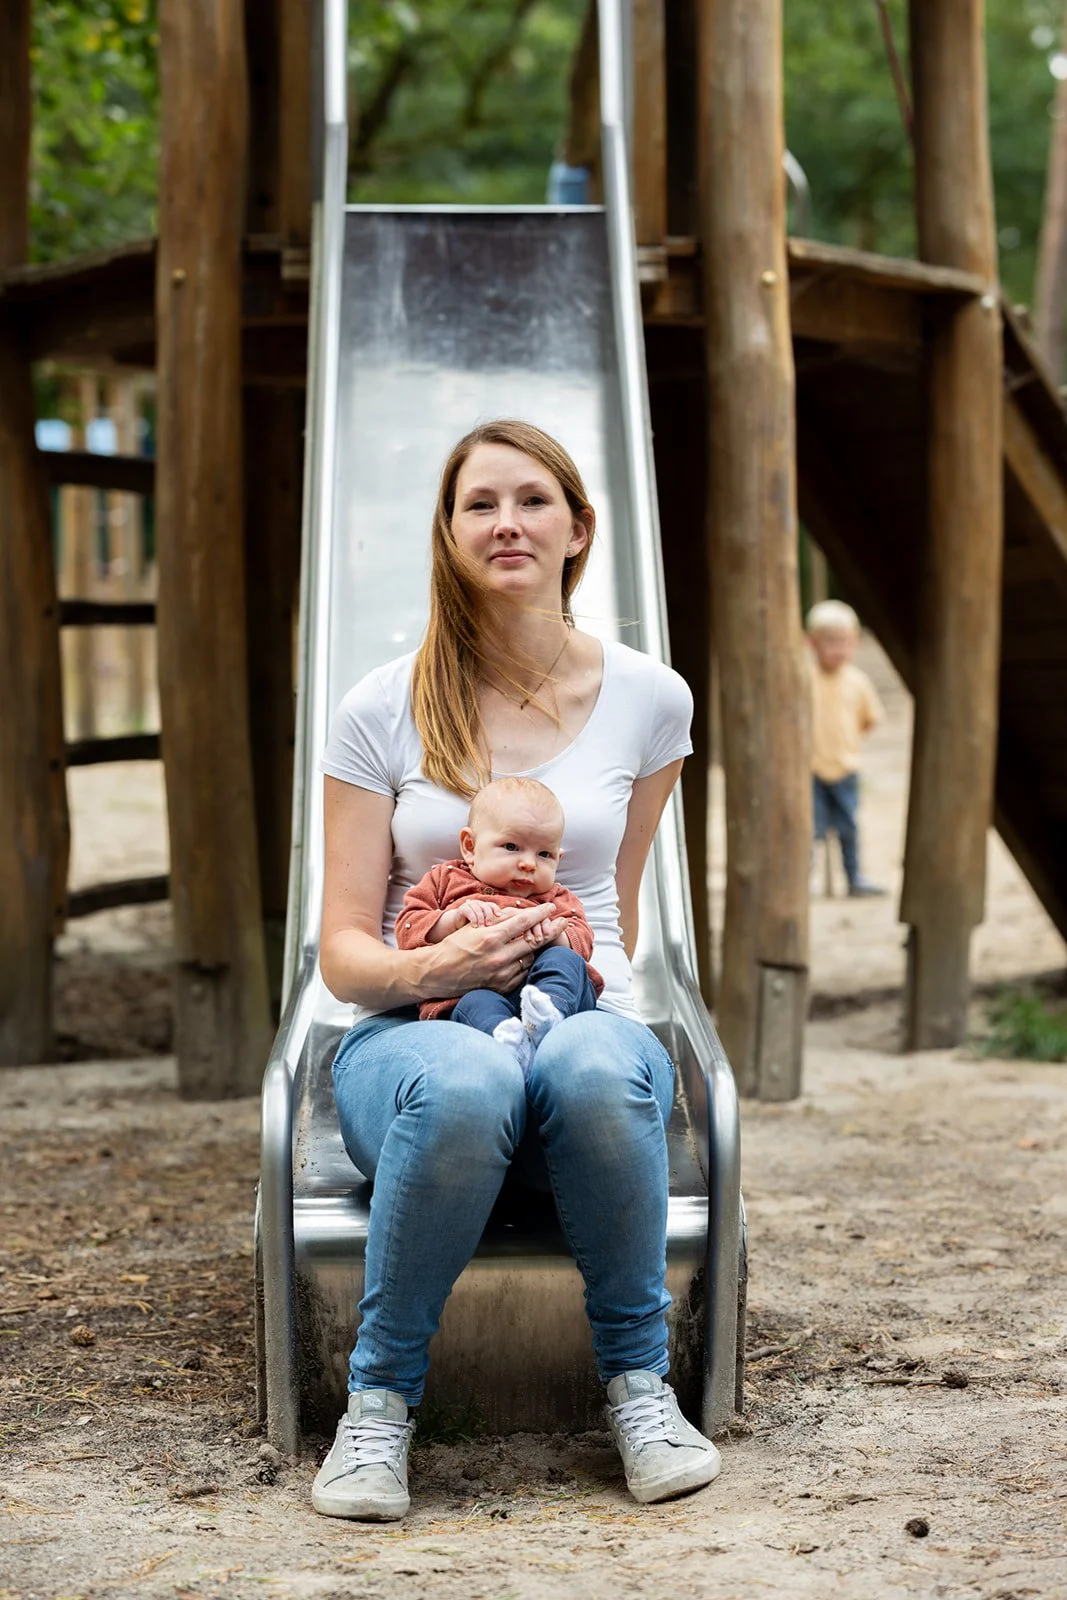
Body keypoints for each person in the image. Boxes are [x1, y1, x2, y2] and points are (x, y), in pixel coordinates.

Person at [311, 418, 722, 1523]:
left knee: (593, 1064)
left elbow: (615, 908)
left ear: (579, 529)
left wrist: (575, 991)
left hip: (572, 1027)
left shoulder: (652, 699)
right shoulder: (377, 707)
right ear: (446, 535)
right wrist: (436, 960)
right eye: (478, 503)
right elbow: (342, 950)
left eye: (532, 500)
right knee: (463, 1080)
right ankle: (378, 1409)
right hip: (412, 1041)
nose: (506, 523)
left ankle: (639, 1391)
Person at [394, 774, 604, 1072]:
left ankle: (549, 1017)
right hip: (469, 991)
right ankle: (507, 1042)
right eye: (511, 847)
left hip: (541, 989)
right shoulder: (446, 880)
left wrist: (555, 937)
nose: (529, 863)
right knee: (475, 1004)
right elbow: (408, 927)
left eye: (544, 854)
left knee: (564, 959)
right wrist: (453, 919)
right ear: (469, 846)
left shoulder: (555, 897)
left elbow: (583, 939)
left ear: (559, 858)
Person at [806, 599, 886, 897]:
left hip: (846, 768)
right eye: (831, 642)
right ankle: (804, 880)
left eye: (845, 642)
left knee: (848, 827)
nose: (839, 649)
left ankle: (854, 877)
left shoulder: (857, 682)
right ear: (811, 643)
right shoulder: (804, 679)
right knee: (810, 830)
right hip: (811, 768)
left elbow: (869, 720)